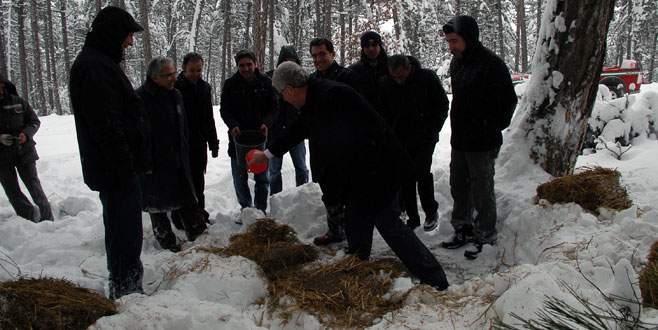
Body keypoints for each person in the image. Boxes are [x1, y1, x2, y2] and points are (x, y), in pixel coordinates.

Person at [248, 62, 449, 290]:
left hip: (380, 167)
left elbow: (352, 141)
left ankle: (435, 278)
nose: (283, 99)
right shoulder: (315, 98)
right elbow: (300, 129)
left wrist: (340, 178)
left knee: (387, 222)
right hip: (362, 172)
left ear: (291, 88)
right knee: (356, 219)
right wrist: (267, 154)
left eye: (282, 94)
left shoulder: (332, 96)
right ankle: (357, 265)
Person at [69, 6, 148, 299]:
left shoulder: (100, 63)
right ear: (113, 34)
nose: (131, 42)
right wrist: (126, 165)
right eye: (128, 35)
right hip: (115, 170)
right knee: (124, 229)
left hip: (116, 167)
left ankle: (125, 282)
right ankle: (127, 287)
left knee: (122, 227)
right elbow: (106, 125)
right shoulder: (94, 68)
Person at [440, 15, 517, 259]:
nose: (451, 46)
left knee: (482, 188)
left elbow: (508, 102)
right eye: (449, 42)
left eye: (454, 41)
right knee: (458, 185)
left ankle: (486, 233)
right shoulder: (458, 63)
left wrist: (489, 126)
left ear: (469, 38)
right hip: (460, 140)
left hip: (482, 142)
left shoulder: (491, 64)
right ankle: (462, 227)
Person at [137, 57, 207, 252]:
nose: (172, 78)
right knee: (157, 203)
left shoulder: (175, 95)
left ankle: (197, 232)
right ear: (154, 77)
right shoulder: (140, 98)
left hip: (178, 158)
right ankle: (166, 241)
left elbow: (182, 128)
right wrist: (145, 161)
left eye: (173, 73)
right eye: (167, 75)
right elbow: (139, 135)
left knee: (186, 197)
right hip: (155, 160)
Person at [379, 54, 449, 231]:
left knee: (422, 172)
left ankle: (431, 211)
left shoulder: (426, 78)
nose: (398, 80)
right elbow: (383, 111)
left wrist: (432, 129)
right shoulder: (386, 83)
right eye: (394, 77)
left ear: (408, 69)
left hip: (425, 137)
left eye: (401, 76)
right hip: (400, 139)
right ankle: (412, 216)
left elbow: (441, 105)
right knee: (405, 176)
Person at [307, 37, 355, 246]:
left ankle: (355, 235)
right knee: (330, 192)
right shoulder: (310, 81)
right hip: (320, 147)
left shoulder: (347, 77)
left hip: (346, 146)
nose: (319, 59)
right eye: (315, 55)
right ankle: (335, 230)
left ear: (332, 54)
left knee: (349, 193)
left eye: (322, 54)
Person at [219, 50, 276, 214]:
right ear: (237, 66)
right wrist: (232, 125)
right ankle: (246, 209)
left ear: (255, 64)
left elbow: (274, 107)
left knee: (262, 178)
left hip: (260, 138)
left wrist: (267, 123)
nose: (245, 68)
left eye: (248, 64)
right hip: (238, 139)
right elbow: (225, 110)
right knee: (240, 177)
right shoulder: (230, 84)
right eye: (241, 65)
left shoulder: (266, 82)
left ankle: (260, 210)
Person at [0, 76, 53, 222]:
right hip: (2, 157)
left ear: (3, 85)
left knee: (34, 185)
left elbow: (34, 121)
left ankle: (47, 218)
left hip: (25, 151)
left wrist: (26, 134)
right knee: (12, 190)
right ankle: (27, 217)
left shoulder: (18, 101)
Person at [174, 52, 220, 222]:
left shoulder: (204, 88)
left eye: (199, 70)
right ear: (183, 69)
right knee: (182, 181)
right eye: (192, 70)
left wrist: (213, 142)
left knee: (198, 180)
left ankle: (199, 212)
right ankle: (180, 217)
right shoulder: (175, 88)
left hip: (198, 141)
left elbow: (209, 117)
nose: (195, 74)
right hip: (180, 142)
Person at [265, 46, 309, 195]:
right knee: (274, 171)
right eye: (285, 61)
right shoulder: (270, 79)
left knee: (301, 168)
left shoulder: (303, 80)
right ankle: (276, 199)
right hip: (275, 133)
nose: (289, 64)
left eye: (292, 61)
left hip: (297, 131)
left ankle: (303, 197)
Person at [348, 31, 389, 108]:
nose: (371, 49)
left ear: (380, 46)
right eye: (367, 46)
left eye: (374, 45)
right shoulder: (353, 71)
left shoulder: (392, 67)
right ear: (363, 49)